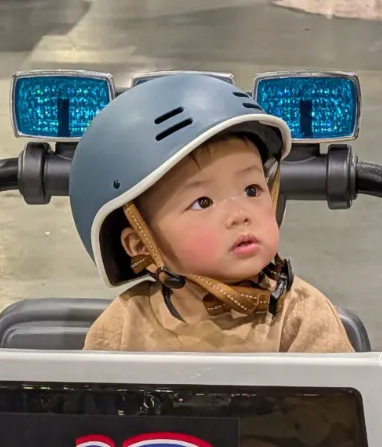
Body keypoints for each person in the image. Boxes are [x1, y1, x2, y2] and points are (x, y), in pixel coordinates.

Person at [69, 74, 353, 353]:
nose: (240, 214)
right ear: (141, 244)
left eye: (252, 190)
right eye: (203, 202)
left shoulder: (301, 319)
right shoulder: (122, 329)